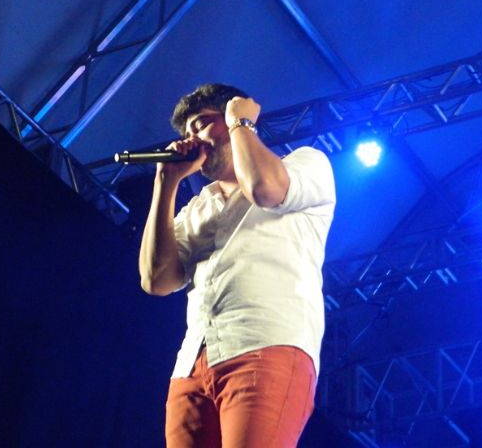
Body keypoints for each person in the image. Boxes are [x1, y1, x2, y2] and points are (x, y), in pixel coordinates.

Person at [139, 83, 336, 447]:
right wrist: (166, 182)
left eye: (201, 124)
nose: (192, 138)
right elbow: (156, 280)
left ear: (230, 115)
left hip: (267, 344)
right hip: (192, 364)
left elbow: (265, 188)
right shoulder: (198, 208)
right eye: (187, 132)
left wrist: (241, 123)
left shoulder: (304, 163)